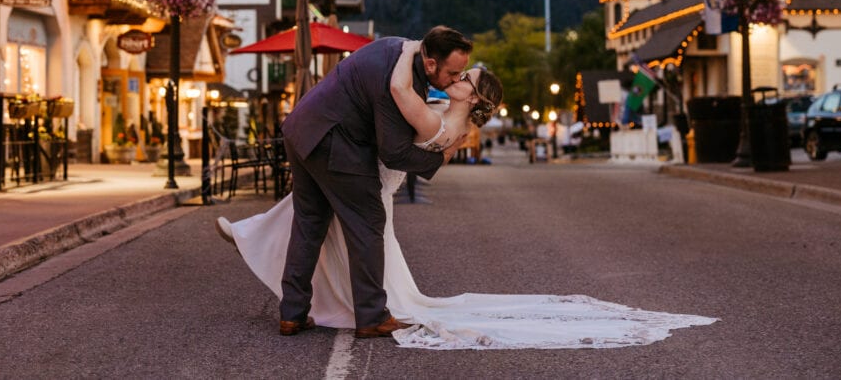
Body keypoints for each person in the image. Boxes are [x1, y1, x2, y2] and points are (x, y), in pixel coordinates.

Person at [217, 45, 717, 349]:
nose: (457, 78)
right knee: (341, 226)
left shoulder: (442, 114)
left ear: (473, 99)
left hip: (328, 145)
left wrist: (406, 53)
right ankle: (344, 308)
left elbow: (403, 140)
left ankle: (300, 310)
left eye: (466, 79)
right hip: (343, 153)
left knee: (329, 225)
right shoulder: (438, 100)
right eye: (459, 74)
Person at [276, 25, 473, 339]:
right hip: (334, 141)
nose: (456, 80)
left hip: (301, 129)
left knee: (309, 223)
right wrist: (437, 159)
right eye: (453, 73)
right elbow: (394, 152)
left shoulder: (399, 51)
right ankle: (371, 316)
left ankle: (292, 313)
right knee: (368, 222)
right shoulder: (397, 79)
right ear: (431, 63)